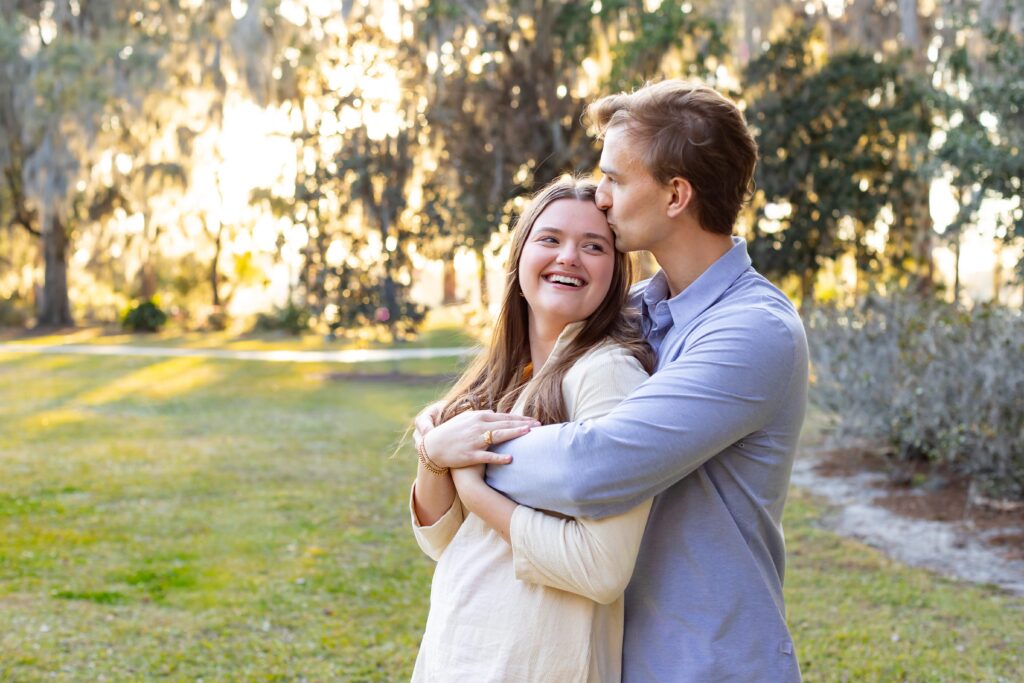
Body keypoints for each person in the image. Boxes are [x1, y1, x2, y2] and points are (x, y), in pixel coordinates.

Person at [415, 80, 809, 682]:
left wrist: (462, 452)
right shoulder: (634, 315)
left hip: (706, 659)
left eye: (616, 180)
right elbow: (534, 368)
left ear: (676, 194)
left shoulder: (752, 332)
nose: (601, 196)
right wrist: (442, 433)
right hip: (615, 650)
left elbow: (592, 464)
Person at [410, 177, 658, 681]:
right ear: (520, 254)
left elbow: (601, 569)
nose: (569, 256)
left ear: (615, 272)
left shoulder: (607, 374)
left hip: (536, 661)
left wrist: (477, 493)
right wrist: (434, 456)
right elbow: (443, 543)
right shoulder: (505, 376)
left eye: (593, 246)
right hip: (460, 649)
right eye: (551, 239)